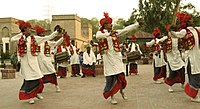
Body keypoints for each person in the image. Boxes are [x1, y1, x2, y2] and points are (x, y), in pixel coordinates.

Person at [96, 12, 144, 104]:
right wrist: (109, 35)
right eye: (109, 23)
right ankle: (112, 96)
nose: (111, 24)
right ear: (104, 25)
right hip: (108, 60)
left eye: (110, 23)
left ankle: (122, 91)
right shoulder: (100, 33)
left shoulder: (115, 33)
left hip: (117, 59)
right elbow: (98, 36)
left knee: (121, 77)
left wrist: (137, 24)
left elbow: (126, 30)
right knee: (111, 79)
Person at [11, 20, 61, 104]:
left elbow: (46, 38)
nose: (30, 30)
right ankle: (30, 97)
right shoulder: (19, 39)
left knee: (39, 79)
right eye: (29, 28)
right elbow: (12, 39)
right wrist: (21, 34)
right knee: (29, 80)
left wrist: (56, 32)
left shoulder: (34, 38)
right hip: (25, 63)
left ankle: (36, 93)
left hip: (34, 62)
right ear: (24, 29)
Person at [170, 12, 200, 102]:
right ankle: (193, 96)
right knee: (195, 74)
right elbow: (175, 35)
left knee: (198, 74)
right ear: (187, 22)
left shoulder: (197, 29)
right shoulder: (184, 31)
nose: (192, 20)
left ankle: (193, 94)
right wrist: (171, 30)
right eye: (190, 19)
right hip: (191, 57)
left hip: (198, 55)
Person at [33, 25, 64, 92]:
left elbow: (56, 43)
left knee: (52, 73)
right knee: (38, 77)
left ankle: (57, 86)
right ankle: (38, 89)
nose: (42, 35)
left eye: (42, 34)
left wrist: (62, 38)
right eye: (40, 34)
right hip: (39, 63)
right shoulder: (35, 42)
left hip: (47, 62)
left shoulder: (47, 42)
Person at [157, 27, 185, 92]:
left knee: (182, 70)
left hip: (177, 56)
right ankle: (170, 86)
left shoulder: (178, 38)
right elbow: (158, 41)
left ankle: (182, 83)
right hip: (170, 57)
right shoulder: (166, 38)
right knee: (172, 72)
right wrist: (162, 43)